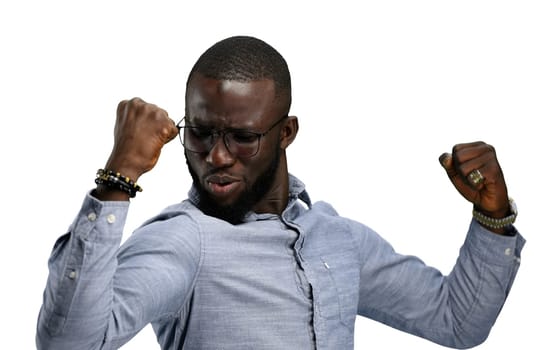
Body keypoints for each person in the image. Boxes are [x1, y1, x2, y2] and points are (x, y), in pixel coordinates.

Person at [36, 36, 524, 349]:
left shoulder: (336, 238)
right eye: (201, 133)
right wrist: (117, 180)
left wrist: (493, 216)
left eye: (243, 137)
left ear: (286, 132)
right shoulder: (185, 241)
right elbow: (70, 344)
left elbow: (456, 322)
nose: (218, 156)